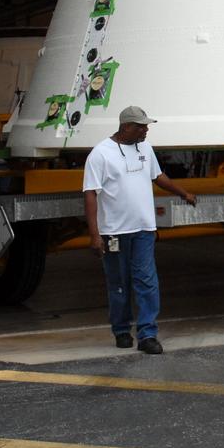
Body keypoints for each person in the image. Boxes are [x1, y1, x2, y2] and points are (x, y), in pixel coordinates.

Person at [83, 106, 197, 354]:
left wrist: (183, 193)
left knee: (147, 281)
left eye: (146, 126)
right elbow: (90, 194)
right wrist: (95, 235)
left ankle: (147, 334)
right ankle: (121, 330)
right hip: (114, 232)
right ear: (126, 127)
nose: (146, 130)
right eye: (141, 126)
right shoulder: (100, 154)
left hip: (144, 229)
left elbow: (158, 176)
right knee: (119, 283)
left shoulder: (145, 148)